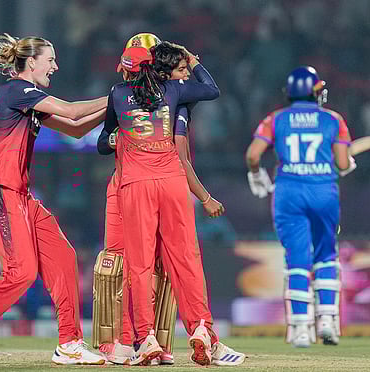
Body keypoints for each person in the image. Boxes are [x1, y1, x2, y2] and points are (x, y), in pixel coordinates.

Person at [0, 32, 107, 365]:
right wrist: (117, 95)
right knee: (21, 272)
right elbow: (72, 112)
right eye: (50, 60)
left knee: (63, 257)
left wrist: (119, 104)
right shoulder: (17, 91)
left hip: (20, 192)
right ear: (31, 62)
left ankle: (70, 343)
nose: (55, 66)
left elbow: (75, 129)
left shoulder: (28, 98)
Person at [97, 42, 245, 366]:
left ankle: (146, 338)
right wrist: (192, 61)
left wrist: (121, 137)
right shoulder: (174, 89)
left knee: (140, 265)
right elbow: (212, 89)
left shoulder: (118, 93)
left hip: (137, 184)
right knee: (187, 260)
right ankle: (201, 328)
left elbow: (102, 142)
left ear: (126, 69)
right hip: (174, 183)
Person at [245, 66, 356, 348]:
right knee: (326, 255)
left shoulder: (276, 119)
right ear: (314, 91)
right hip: (323, 192)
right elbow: (342, 164)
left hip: (289, 192)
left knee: (296, 258)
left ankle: (301, 328)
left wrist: (256, 175)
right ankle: (328, 321)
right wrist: (346, 164)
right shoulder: (333, 119)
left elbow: (253, 155)